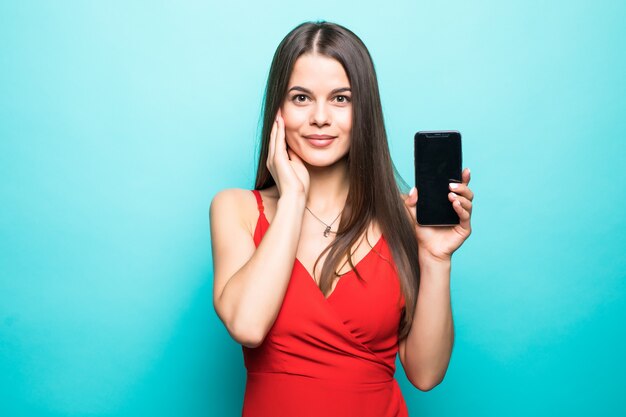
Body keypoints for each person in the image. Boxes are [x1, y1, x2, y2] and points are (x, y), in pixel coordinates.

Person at [210, 20, 474, 417]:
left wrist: (436, 259)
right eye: (300, 98)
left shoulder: (403, 219)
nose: (319, 117)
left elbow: (425, 374)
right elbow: (247, 325)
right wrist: (294, 197)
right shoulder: (237, 209)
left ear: (363, 110)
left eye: (340, 99)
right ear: (278, 109)